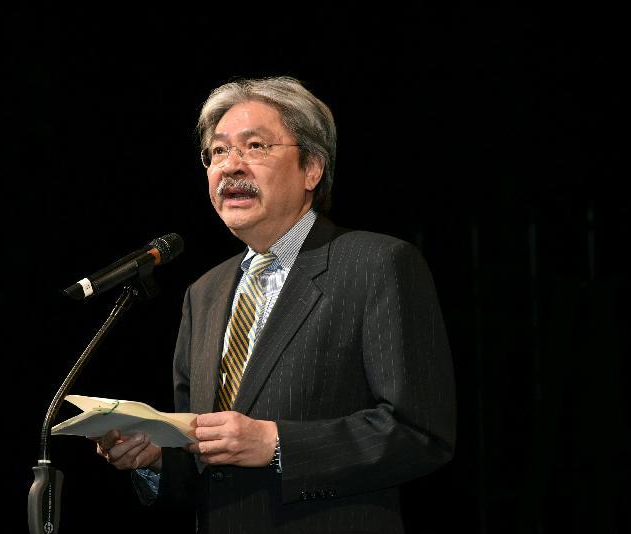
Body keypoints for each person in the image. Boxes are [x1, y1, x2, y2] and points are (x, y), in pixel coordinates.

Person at [94, 76, 456, 533]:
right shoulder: (203, 293)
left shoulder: (376, 264)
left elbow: (419, 434)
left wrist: (277, 443)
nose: (230, 166)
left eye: (256, 146)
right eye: (218, 152)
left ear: (312, 169)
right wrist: (155, 460)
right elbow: (203, 460)